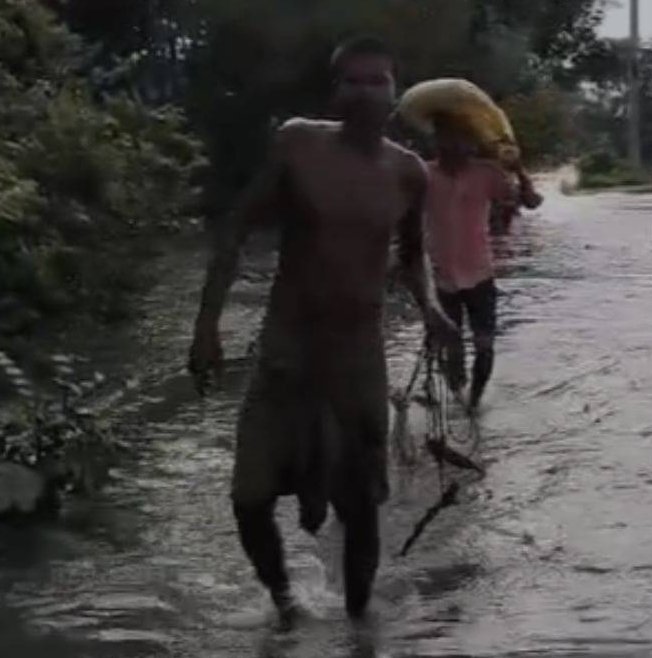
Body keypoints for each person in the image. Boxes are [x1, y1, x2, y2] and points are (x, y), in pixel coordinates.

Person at [187, 36, 458, 623]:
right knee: (249, 497)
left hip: (358, 353)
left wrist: (432, 308)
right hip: (287, 347)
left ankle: (360, 627)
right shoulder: (298, 144)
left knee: (360, 505)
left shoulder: (408, 172)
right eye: (352, 80)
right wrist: (207, 328)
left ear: (394, 91)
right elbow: (235, 230)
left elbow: (414, 257)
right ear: (335, 91)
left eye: (377, 80)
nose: (364, 92)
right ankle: (285, 601)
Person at [425, 113, 543, 414]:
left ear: (470, 142)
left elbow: (531, 202)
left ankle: (474, 405)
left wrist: (519, 169)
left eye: (460, 137)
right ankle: (457, 393)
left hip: (480, 274)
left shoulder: (488, 173)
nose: (453, 144)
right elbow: (402, 215)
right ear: (436, 140)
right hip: (440, 277)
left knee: (485, 346)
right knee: (450, 345)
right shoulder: (423, 174)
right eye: (446, 136)